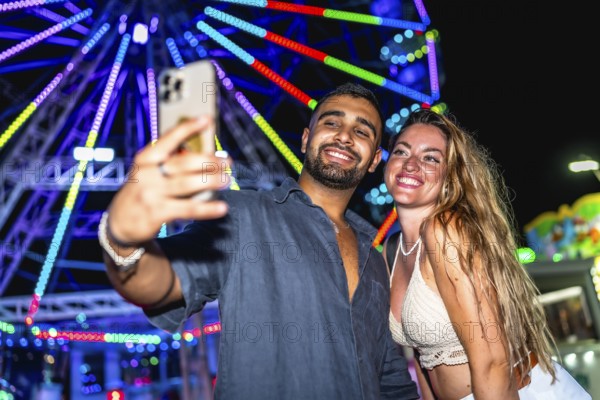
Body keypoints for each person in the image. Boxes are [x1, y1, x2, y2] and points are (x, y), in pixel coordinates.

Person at [98, 82, 420, 399]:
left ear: (375, 159)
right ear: (305, 140)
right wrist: (123, 241)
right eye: (331, 122)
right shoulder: (242, 217)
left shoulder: (375, 258)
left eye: (362, 131)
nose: (345, 135)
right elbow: (160, 282)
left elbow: (389, 377)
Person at [382, 108, 592, 399]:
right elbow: (421, 357)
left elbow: (493, 359)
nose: (411, 164)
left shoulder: (445, 230)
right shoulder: (392, 250)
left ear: (449, 176)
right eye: (401, 152)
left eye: (430, 158)